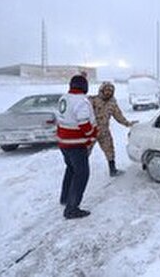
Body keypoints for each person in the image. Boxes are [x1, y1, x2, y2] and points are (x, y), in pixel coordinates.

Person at [56, 75, 97, 219]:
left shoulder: (64, 98)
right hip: (76, 144)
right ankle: (72, 209)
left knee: (71, 169)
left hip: (64, 143)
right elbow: (84, 123)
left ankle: (65, 197)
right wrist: (92, 135)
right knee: (82, 174)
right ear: (84, 86)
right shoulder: (81, 101)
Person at [89, 82, 138, 177]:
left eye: (110, 91)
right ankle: (79, 171)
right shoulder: (93, 100)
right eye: (106, 90)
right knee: (85, 152)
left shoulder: (112, 103)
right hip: (91, 131)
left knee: (110, 150)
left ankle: (113, 170)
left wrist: (128, 123)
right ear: (102, 90)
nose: (108, 92)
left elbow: (118, 115)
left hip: (104, 131)